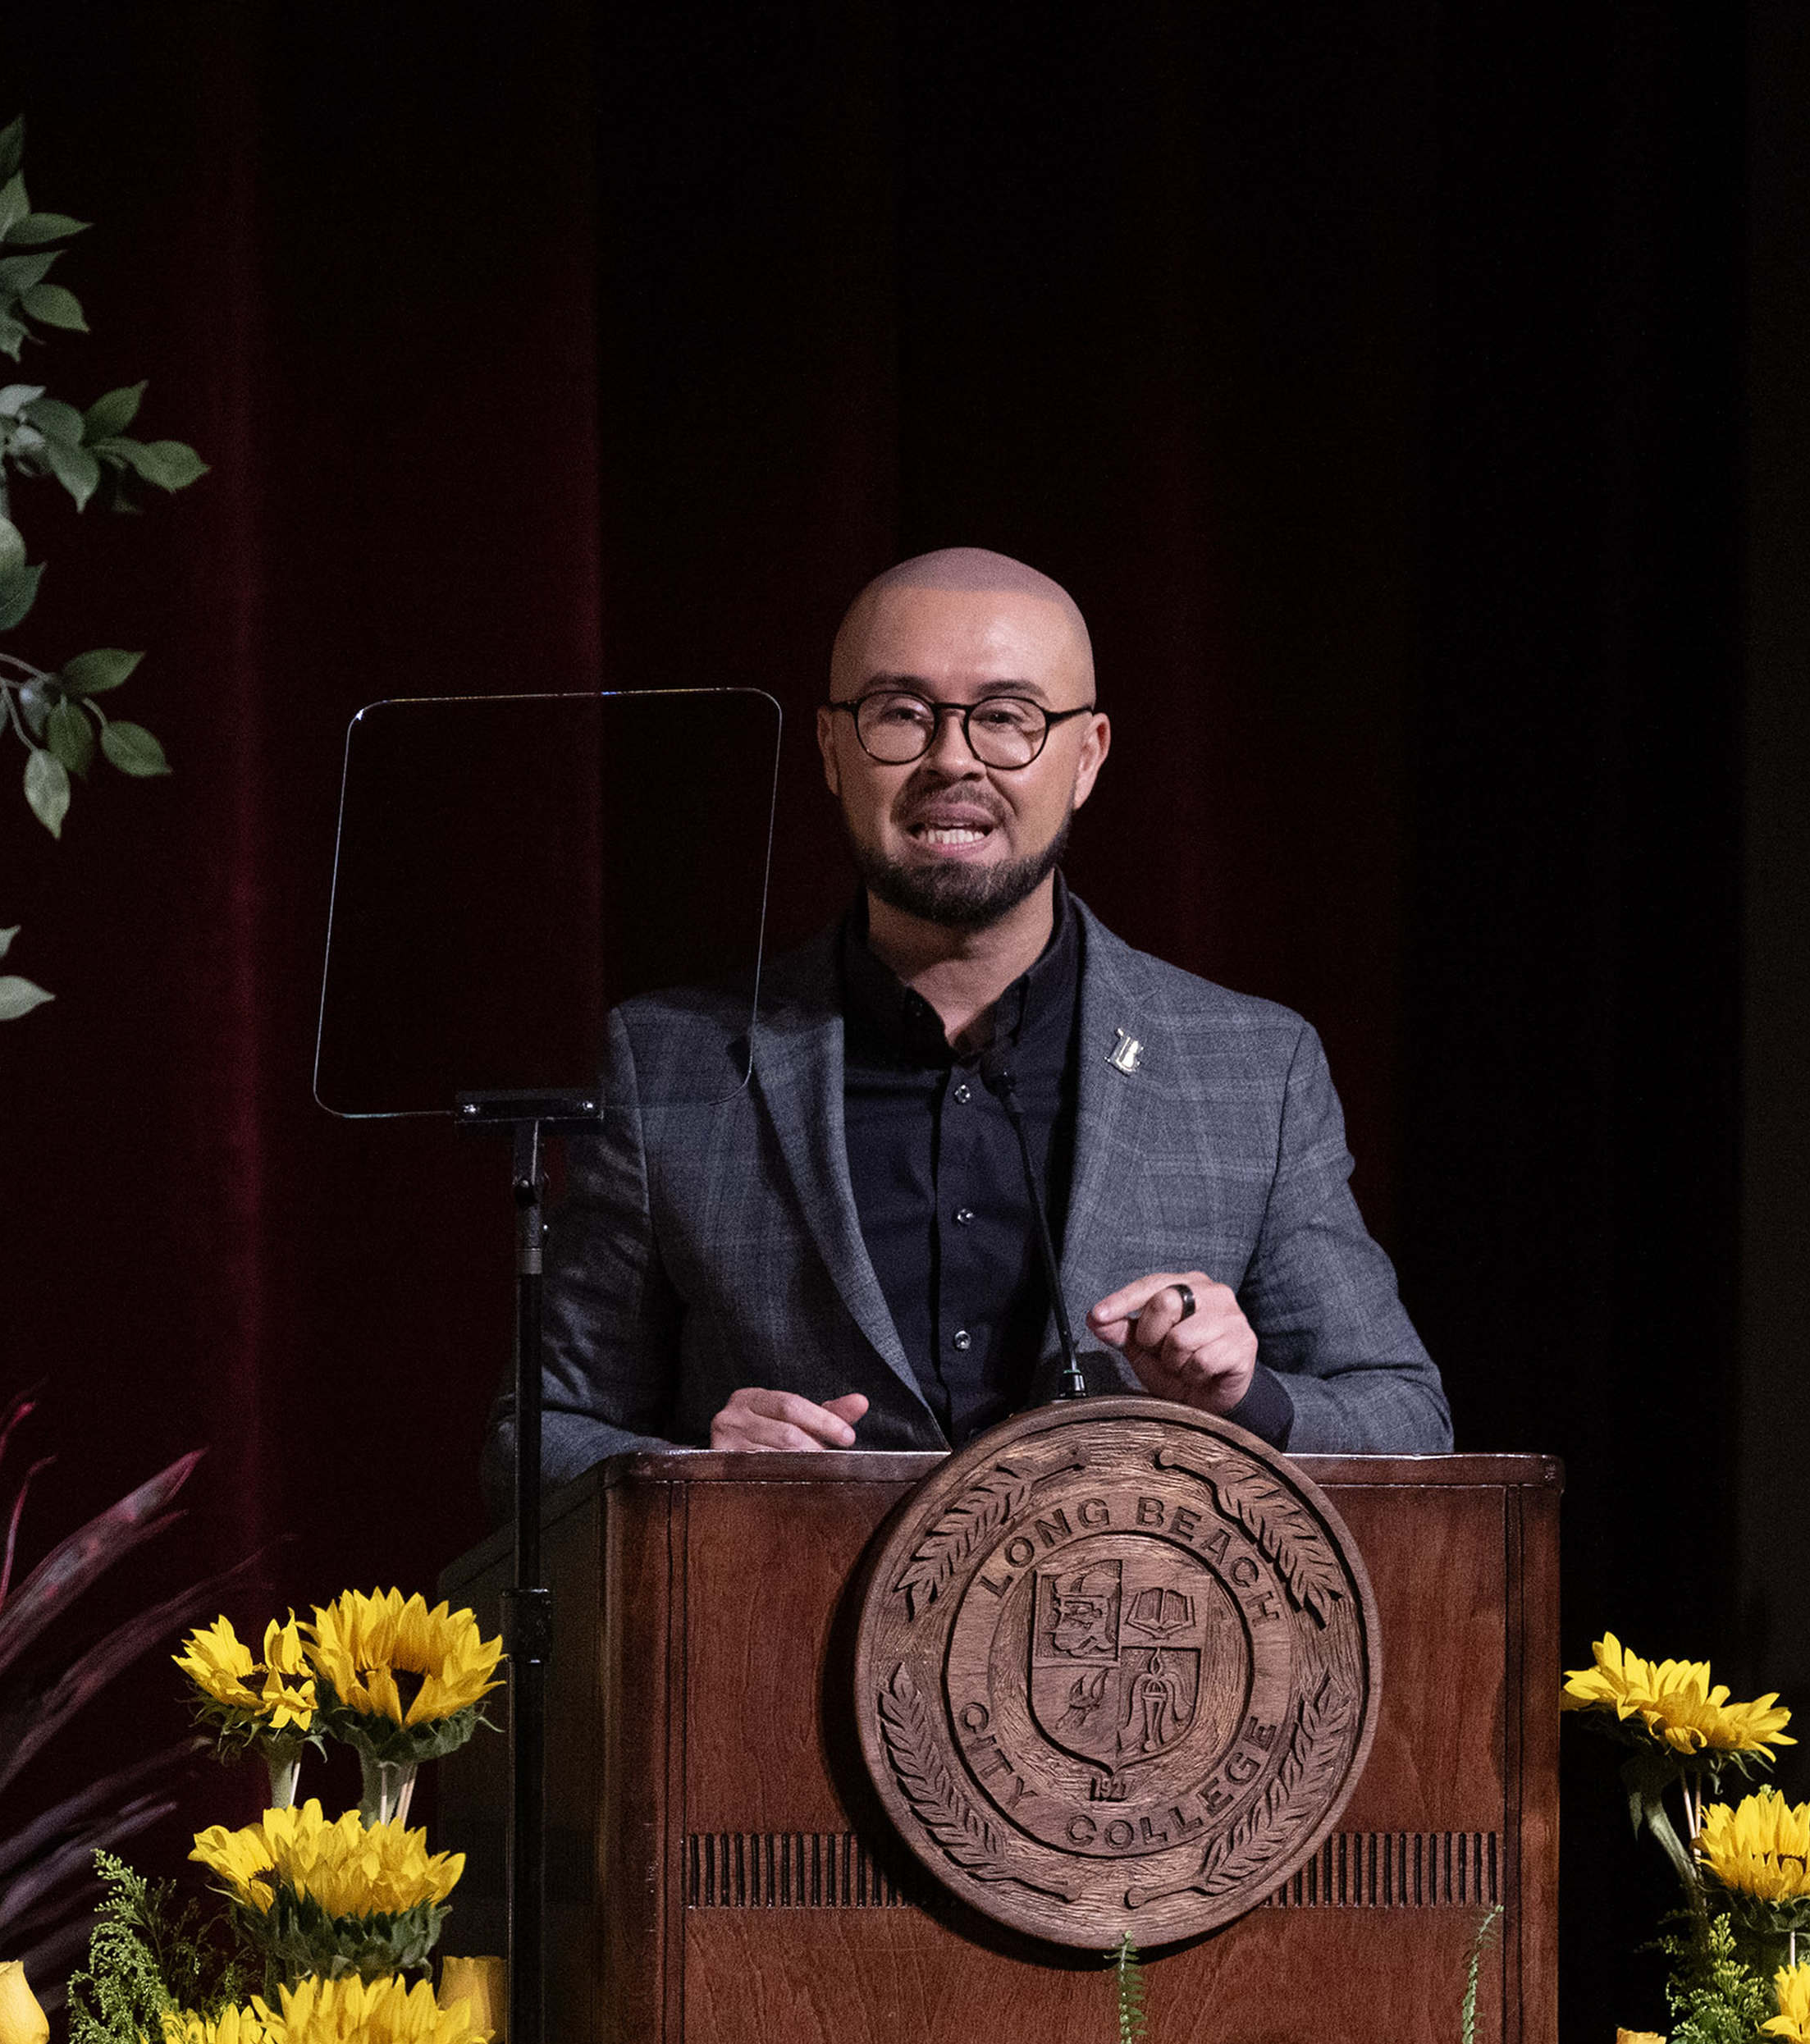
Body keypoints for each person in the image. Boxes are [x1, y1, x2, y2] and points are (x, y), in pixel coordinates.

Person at [522, 548, 1448, 1482]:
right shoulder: (667, 1062)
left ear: (1087, 758)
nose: (952, 759)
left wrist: (1245, 1402)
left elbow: (1409, 1420)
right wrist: (689, 1473)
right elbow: (539, 1435)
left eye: (1008, 718)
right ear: (831, 751)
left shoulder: (1255, 1068)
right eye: (901, 715)